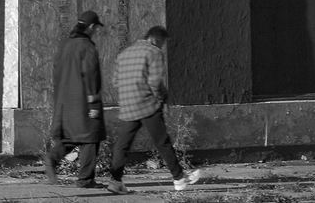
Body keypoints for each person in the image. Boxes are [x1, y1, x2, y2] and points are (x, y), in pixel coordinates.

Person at [106, 25, 202, 195]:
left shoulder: (124, 54)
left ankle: (115, 181)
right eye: (163, 42)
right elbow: (155, 82)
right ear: (156, 39)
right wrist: (163, 98)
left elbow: (115, 81)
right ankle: (179, 179)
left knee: (122, 145)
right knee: (162, 142)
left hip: (128, 106)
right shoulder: (153, 52)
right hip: (147, 105)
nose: (162, 46)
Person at [44, 10, 107, 189]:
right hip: (82, 100)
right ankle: (86, 179)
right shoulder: (87, 46)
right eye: (95, 28)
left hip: (65, 101)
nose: (95, 32)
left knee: (73, 136)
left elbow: (56, 72)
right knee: (91, 137)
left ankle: (52, 158)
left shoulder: (65, 45)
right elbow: (91, 75)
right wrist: (93, 102)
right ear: (91, 27)